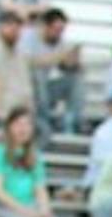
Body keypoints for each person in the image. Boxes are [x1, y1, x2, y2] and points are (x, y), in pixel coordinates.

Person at [22, 8, 84, 138]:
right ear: (45, 26)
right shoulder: (28, 37)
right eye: (56, 30)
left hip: (47, 90)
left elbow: (63, 66)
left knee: (76, 77)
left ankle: (71, 120)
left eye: (62, 30)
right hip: (27, 91)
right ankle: (44, 121)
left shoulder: (60, 42)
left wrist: (73, 62)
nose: (59, 34)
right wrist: (58, 57)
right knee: (38, 75)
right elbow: (29, 62)